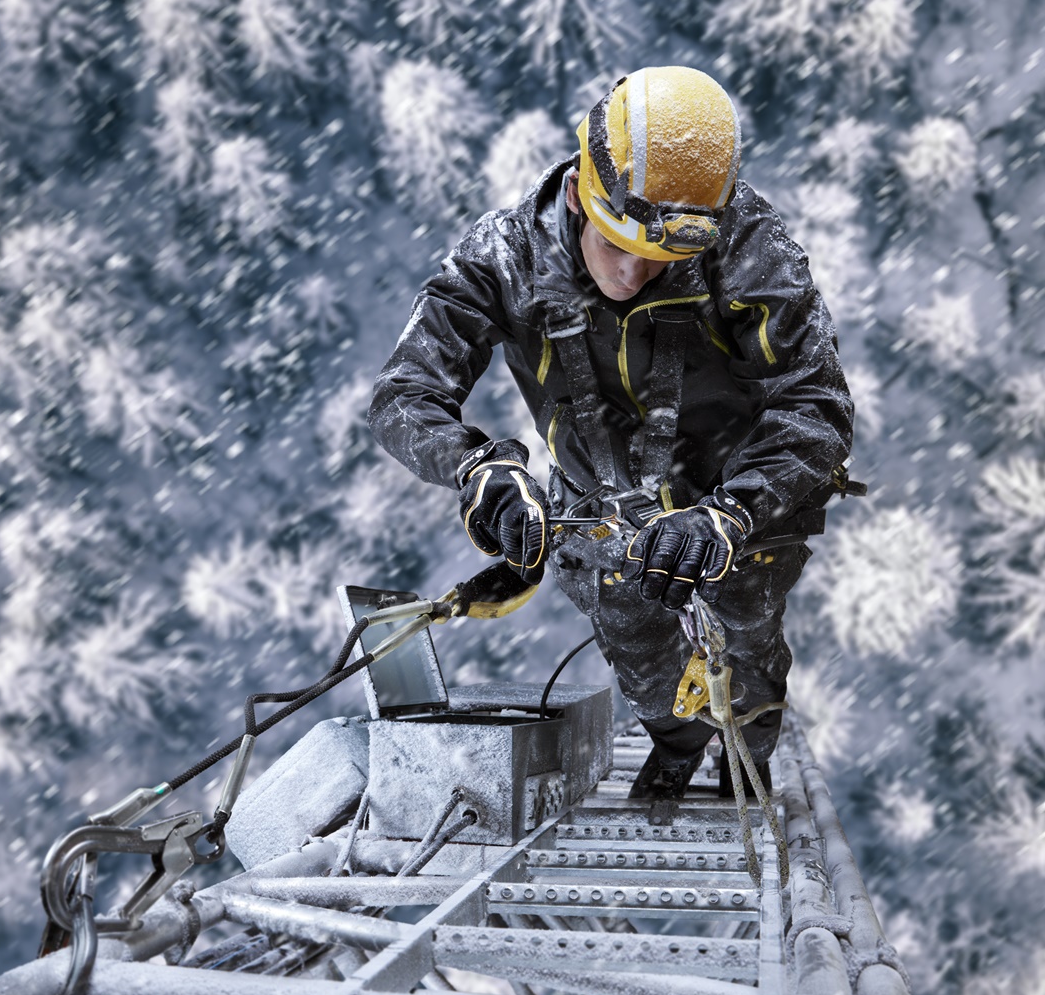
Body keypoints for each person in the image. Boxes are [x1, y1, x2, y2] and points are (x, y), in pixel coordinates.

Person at [366, 66, 855, 810]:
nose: (630, 274)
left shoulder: (746, 249)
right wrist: (477, 470)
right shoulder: (506, 257)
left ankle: (744, 759)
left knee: (748, 638)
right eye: (614, 245)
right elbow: (406, 394)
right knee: (635, 642)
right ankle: (677, 739)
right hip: (599, 499)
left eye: (658, 263)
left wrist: (728, 514)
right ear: (575, 196)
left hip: (740, 498)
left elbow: (814, 403)